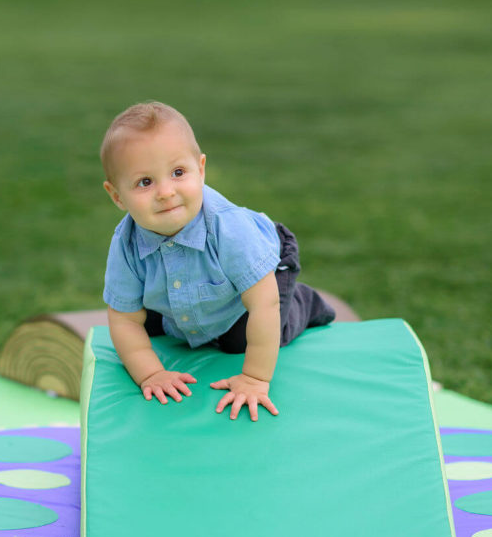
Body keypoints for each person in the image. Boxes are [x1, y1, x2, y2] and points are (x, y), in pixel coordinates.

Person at [101, 101, 335, 421]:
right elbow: (124, 320)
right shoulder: (125, 244)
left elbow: (263, 304)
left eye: (178, 173)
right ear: (117, 196)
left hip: (263, 274)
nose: (166, 192)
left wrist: (254, 379)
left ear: (201, 169)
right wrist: (151, 373)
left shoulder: (229, 229)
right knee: (152, 325)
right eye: (145, 182)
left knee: (238, 340)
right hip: (191, 288)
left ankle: (303, 303)